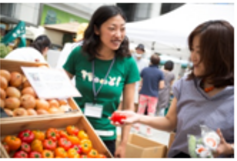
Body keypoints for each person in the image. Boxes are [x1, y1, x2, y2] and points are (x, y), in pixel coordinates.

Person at [111, 20, 234, 158]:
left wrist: (229, 148)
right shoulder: (186, 84)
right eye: (192, 50)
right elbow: (170, 121)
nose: (193, 57)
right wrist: (138, 117)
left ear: (221, 54)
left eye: (199, 51)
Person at [63, 5, 140, 157]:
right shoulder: (79, 54)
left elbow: (128, 108)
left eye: (122, 29)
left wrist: (123, 143)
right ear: (97, 30)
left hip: (106, 137)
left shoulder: (128, 63)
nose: (118, 34)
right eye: (112, 28)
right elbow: (60, 85)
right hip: (74, 132)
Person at [134, 54, 164, 135]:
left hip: (143, 93)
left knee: (140, 111)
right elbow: (161, 86)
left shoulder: (144, 70)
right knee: (151, 113)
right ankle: (148, 130)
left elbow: (140, 81)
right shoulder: (160, 73)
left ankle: (137, 128)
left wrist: (141, 86)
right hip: (153, 95)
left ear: (150, 61)